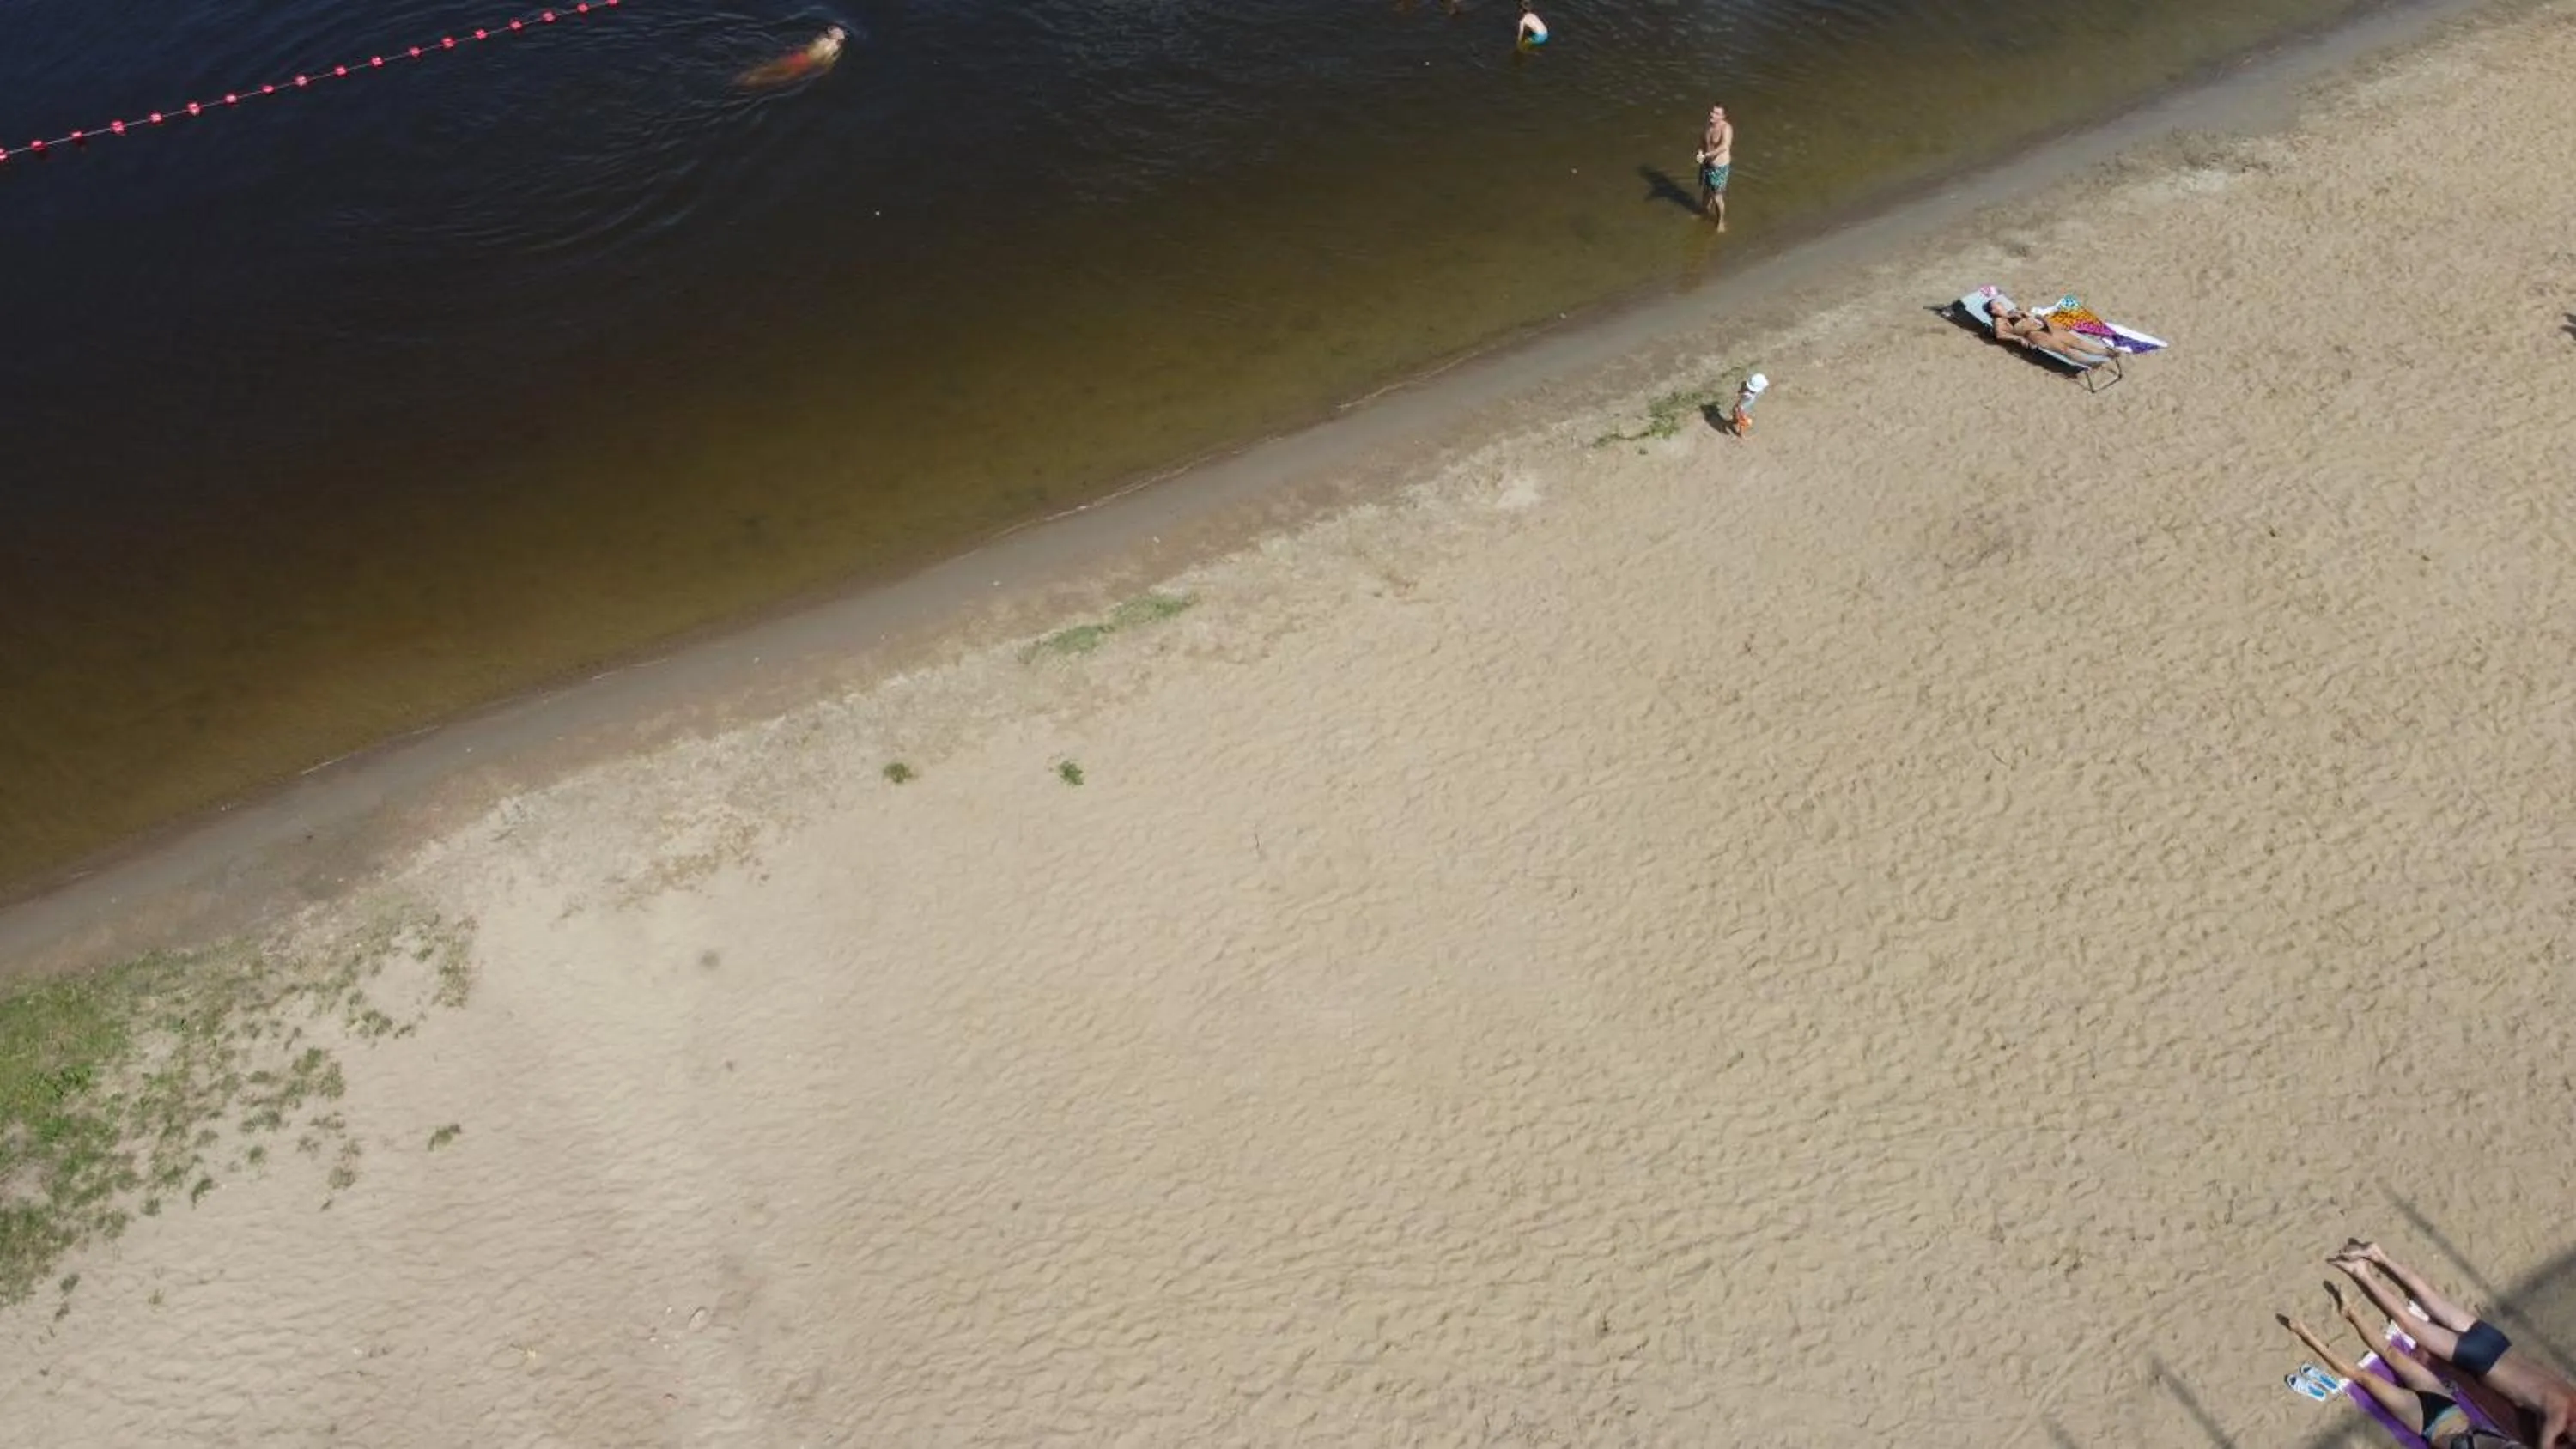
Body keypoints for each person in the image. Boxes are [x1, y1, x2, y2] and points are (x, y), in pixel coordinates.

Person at [2334, 1240, 2576, 1448]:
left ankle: (2379, 1255)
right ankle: (2361, 1272)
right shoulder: (2559, 1414)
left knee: (2430, 1298)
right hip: (2480, 1360)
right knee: (2409, 1323)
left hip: (2497, 1343)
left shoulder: (2568, 1396)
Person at [2278, 1309, 2524, 1448]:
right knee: (2392, 1354)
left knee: (2363, 1378)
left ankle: (2306, 1333)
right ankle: (2352, 1312)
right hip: (2448, 1402)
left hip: (2426, 1421)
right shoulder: (2511, 1445)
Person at [1989, 300, 2117, 361]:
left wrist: (2032, 316)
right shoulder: (1999, 321)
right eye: (1995, 307)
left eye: (1998, 304)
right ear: (1993, 312)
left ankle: (2106, 353)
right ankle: (2090, 363)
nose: (1998, 307)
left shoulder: (2015, 311)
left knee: (2078, 343)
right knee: (2064, 349)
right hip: (2033, 334)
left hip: (2044, 326)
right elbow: (1999, 335)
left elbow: (2033, 316)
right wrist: (2019, 338)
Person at [738, 25, 847, 89]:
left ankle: (743, 77)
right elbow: (827, 64)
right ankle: (750, 83)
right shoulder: (835, 49)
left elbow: (807, 48)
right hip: (806, 64)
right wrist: (825, 73)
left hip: (798, 57)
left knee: (771, 66)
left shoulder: (821, 39)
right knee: (780, 78)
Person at [1696, 106, 1733, 230]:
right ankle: (1704, 213)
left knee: (1717, 197)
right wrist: (1700, 153)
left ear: (1723, 116)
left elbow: (1725, 146)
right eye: (1712, 112)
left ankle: (1720, 221)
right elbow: (1702, 141)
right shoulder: (1708, 125)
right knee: (1706, 191)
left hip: (1719, 167)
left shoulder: (1726, 128)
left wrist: (1708, 154)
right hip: (1707, 163)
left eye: (1717, 114)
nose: (1713, 115)